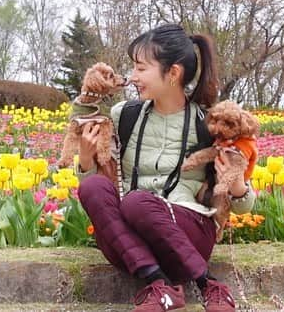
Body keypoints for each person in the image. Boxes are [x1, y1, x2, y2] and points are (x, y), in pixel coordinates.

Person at [76, 24, 256, 312]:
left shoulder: (209, 124)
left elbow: (245, 204)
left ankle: (208, 284)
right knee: (92, 187)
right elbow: (95, 163)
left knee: (137, 202)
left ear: (172, 73)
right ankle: (159, 286)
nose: (133, 77)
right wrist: (86, 160)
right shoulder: (125, 115)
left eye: (141, 68)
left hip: (188, 232)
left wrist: (236, 186)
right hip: (132, 243)